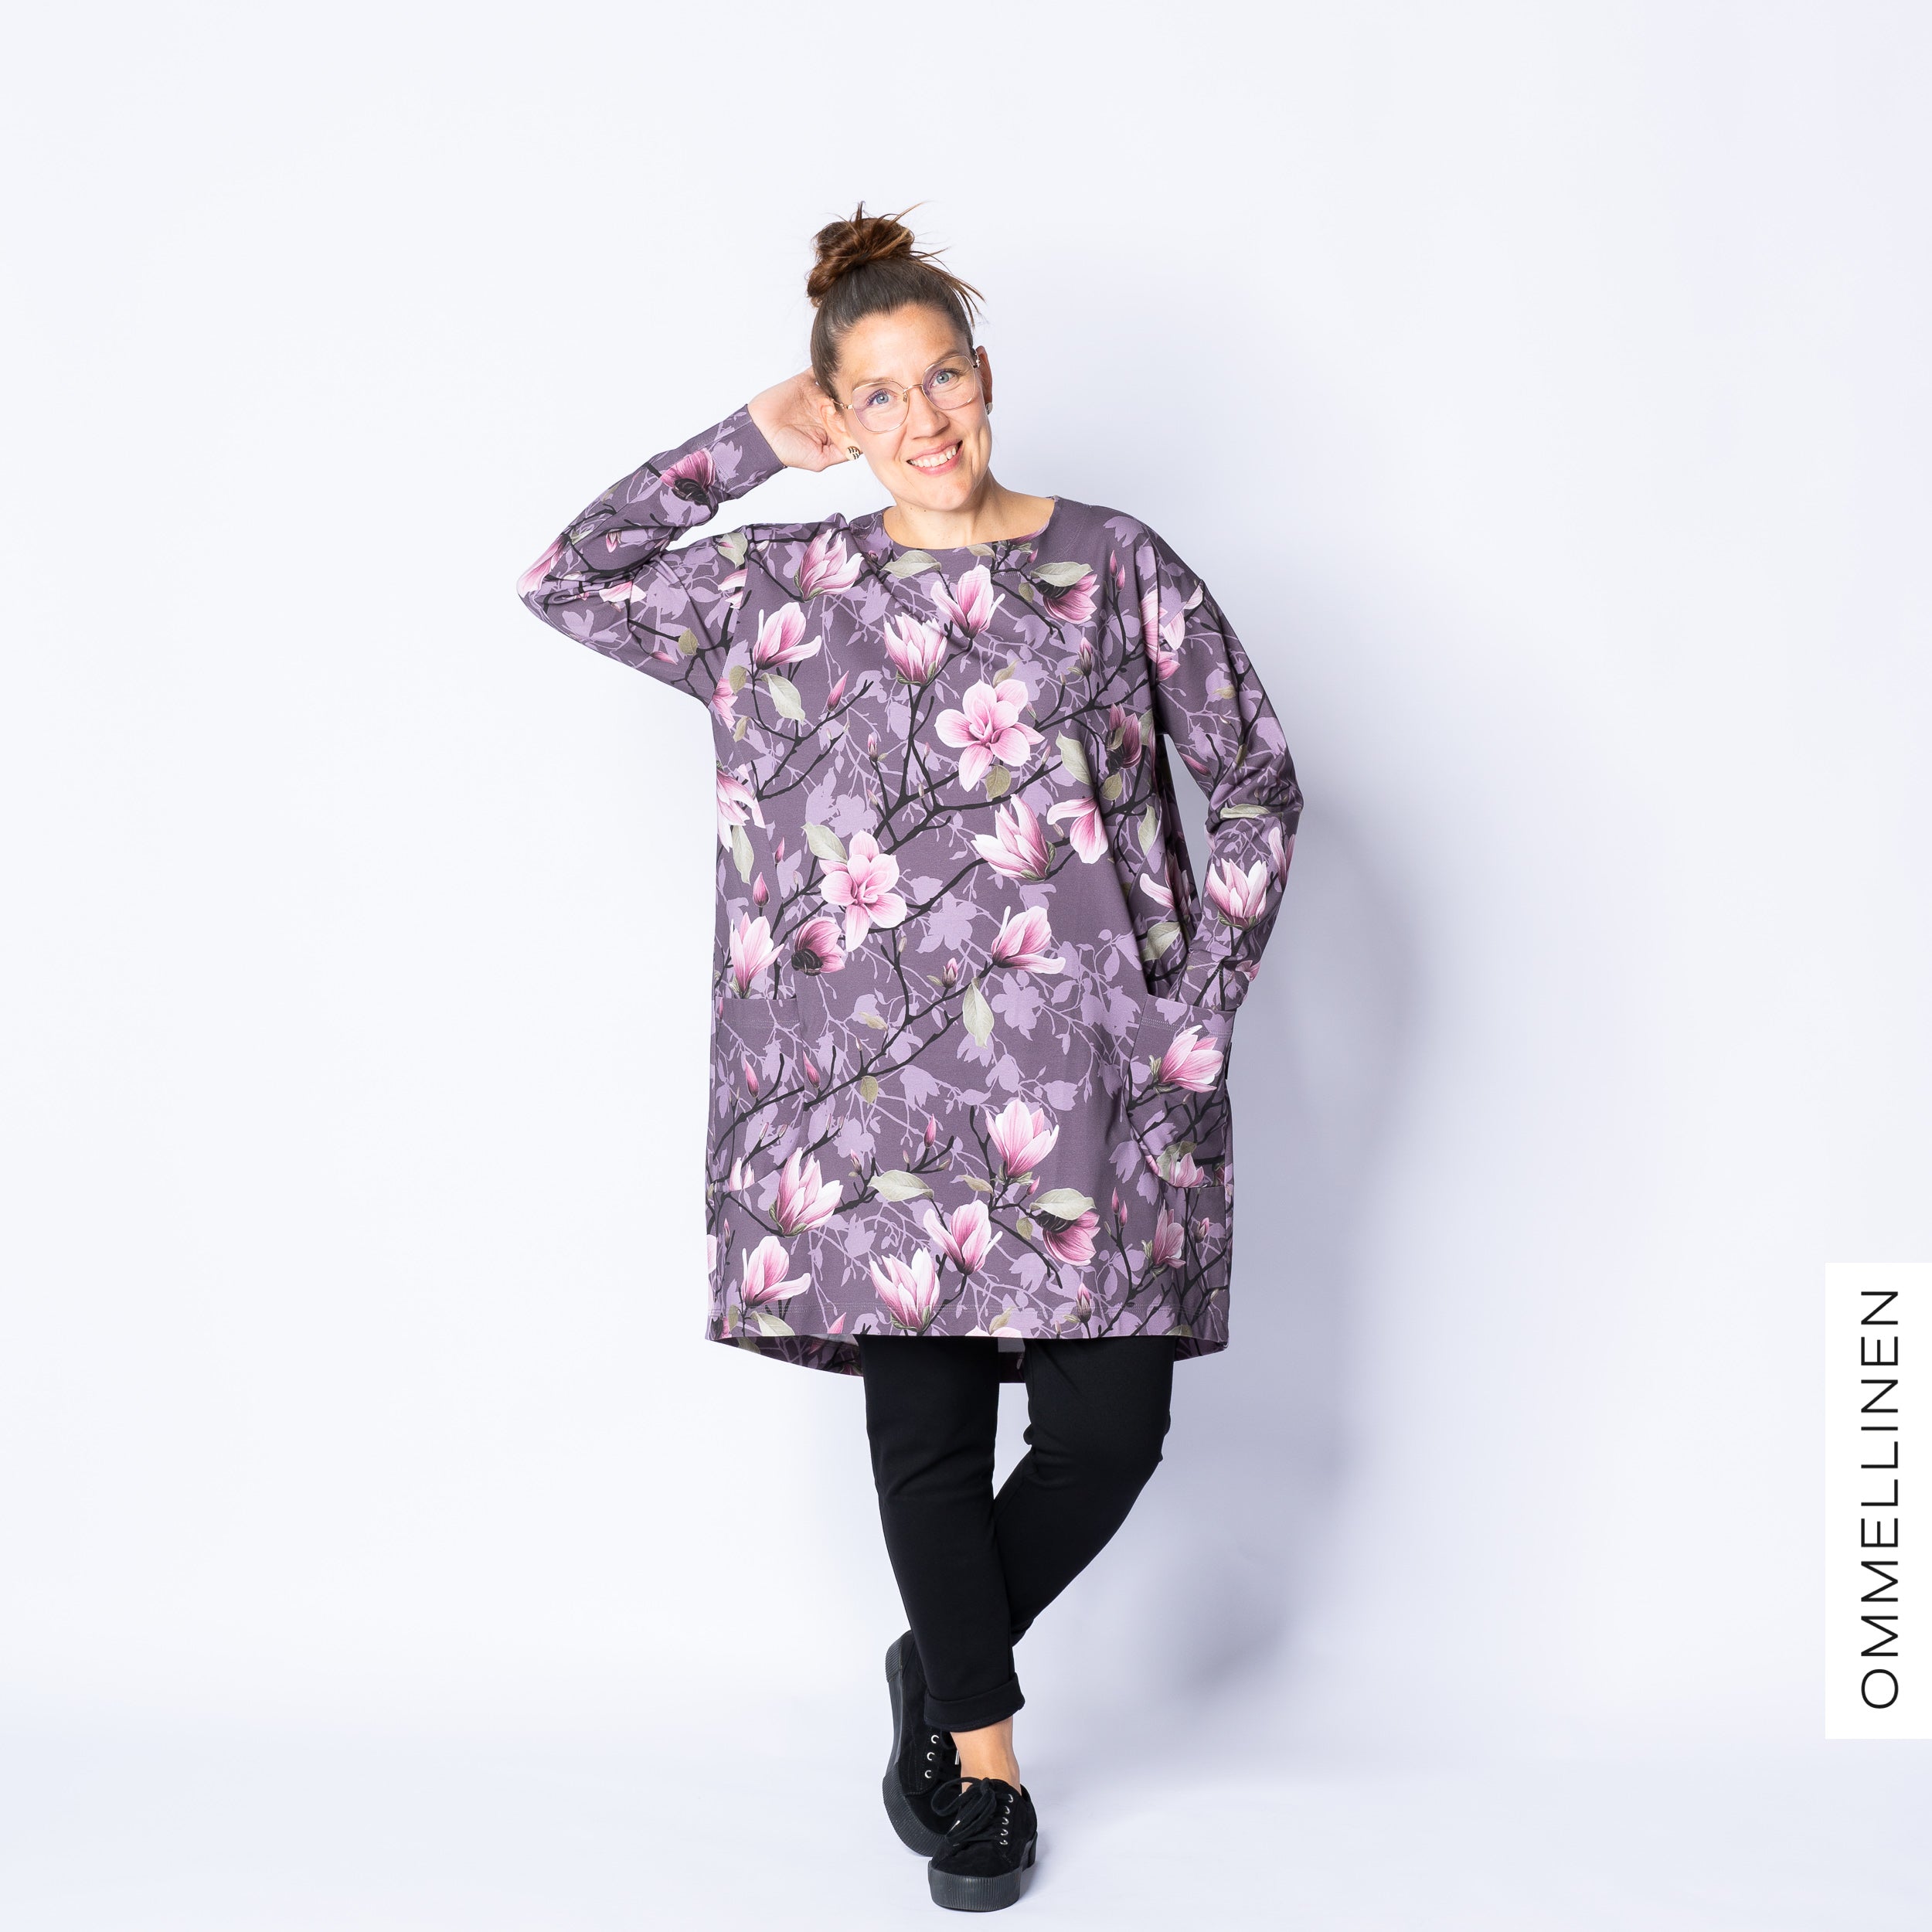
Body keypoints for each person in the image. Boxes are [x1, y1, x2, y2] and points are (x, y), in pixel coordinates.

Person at [517, 204, 1302, 1913]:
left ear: (985, 375)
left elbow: (1252, 779)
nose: (922, 417)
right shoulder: (786, 591)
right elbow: (567, 578)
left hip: (1095, 1082)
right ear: (841, 415)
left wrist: (1196, 1001)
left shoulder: (1115, 565)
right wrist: (748, 444)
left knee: (1108, 1433)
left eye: (941, 375)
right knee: (927, 1444)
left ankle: (940, 1654)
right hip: (861, 1096)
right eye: (876, 394)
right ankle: (988, 1765)